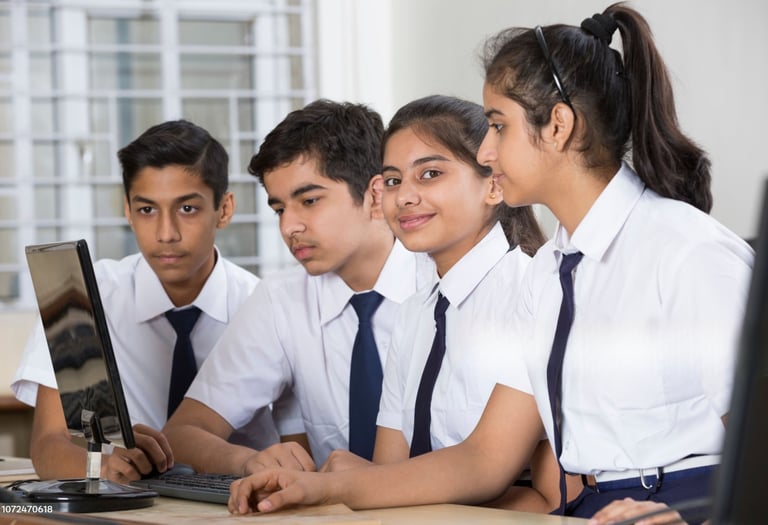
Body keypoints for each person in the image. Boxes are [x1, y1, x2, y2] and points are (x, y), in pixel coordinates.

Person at [226, 3, 754, 521]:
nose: (486, 152)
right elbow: (484, 457)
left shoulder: (687, 252)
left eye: (498, 126)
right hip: (591, 511)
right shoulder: (551, 272)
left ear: (558, 126)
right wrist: (320, 488)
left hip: (687, 505)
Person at [320, 95, 574, 512]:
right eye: (393, 180)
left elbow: (552, 501)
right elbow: (390, 474)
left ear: (494, 185)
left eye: (430, 174)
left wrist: (358, 486)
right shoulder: (414, 313)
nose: (404, 196)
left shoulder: (533, 293)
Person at [162, 100, 434, 476]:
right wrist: (249, 461)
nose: (288, 227)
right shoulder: (282, 298)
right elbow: (182, 434)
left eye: (309, 201)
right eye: (279, 209)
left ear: (375, 196)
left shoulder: (440, 282)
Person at [11, 119, 278, 483]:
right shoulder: (86, 297)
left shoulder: (263, 306)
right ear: (128, 210)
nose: (166, 234)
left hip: (239, 498)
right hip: (132, 502)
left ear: (225, 209)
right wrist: (103, 467)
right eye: (147, 210)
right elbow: (48, 444)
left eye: (187, 209)